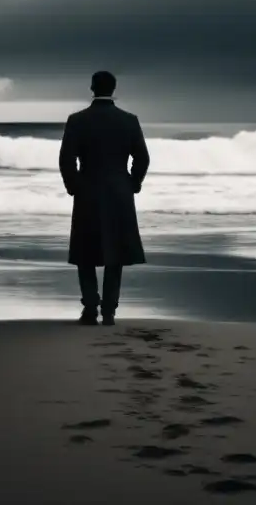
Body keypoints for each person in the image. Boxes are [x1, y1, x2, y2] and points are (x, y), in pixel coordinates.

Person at [59, 71, 150, 325]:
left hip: (88, 190)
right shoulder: (129, 120)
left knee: (85, 251)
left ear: (91, 87)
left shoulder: (77, 120)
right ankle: (109, 311)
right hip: (119, 192)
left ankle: (90, 308)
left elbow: (66, 159)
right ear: (114, 88)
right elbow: (142, 158)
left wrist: (73, 185)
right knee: (115, 253)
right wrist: (134, 183)